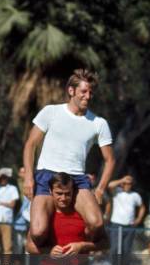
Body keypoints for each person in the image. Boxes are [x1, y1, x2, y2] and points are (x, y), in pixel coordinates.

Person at [23, 68, 115, 250]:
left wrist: (100, 190)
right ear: (71, 91)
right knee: (39, 231)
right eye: (83, 91)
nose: (88, 96)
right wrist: (28, 177)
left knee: (96, 223)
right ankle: (40, 247)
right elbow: (30, 145)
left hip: (78, 178)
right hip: (46, 175)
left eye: (90, 92)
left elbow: (110, 160)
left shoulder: (99, 123)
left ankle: (82, 248)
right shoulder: (51, 112)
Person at [108, 175, 145, 265]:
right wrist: (122, 180)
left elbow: (142, 207)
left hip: (129, 226)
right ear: (122, 184)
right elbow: (110, 185)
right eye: (126, 183)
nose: (128, 185)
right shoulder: (117, 192)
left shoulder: (135, 195)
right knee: (115, 249)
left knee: (126, 250)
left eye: (130, 184)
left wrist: (139, 219)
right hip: (117, 225)